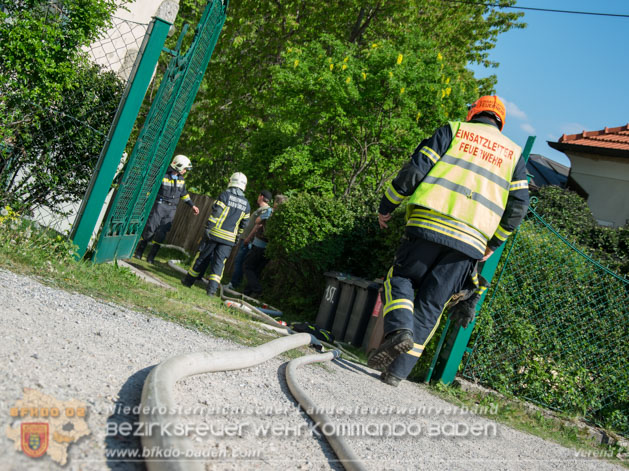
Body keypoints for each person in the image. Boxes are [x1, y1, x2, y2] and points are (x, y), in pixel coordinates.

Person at [369, 95, 529, 387]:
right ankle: (396, 373)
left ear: (474, 113)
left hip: (428, 225)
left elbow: (415, 169)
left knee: (400, 279)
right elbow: (519, 206)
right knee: (432, 305)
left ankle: (400, 328)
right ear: (501, 123)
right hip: (470, 243)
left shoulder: (454, 130)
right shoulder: (514, 156)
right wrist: (493, 244)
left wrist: (388, 204)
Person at [180, 172, 251, 296]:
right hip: (228, 239)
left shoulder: (225, 195)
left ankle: (188, 282)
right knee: (219, 264)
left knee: (202, 258)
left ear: (231, 182)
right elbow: (243, 225)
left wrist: (208, 227)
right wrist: (237, 237)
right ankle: (211, 291)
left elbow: (216, 213)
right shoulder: (246, 205)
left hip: (214, 234)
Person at [134, 154, 199, 263]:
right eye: (185, 169)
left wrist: (192, 205)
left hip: (171, 209)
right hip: (159, 205)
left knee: (162, 233)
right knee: (150, 228)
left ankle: (151, 257)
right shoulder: (163, 175)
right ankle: (139, 252)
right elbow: (152, 189)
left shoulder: (181, 179)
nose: (185, 171)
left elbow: (183, 194)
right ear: (179, 166)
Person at [224, 189, 272, 291]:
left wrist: (248, 238)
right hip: (247, 239)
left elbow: (258, 226)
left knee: (240, 261)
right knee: (240, 261)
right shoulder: (261, 209)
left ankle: (234, 284)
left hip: (249, 241)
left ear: (261, 196)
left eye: (259, 196)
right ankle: (237, 284)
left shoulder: (265, 210)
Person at [242, 194, 288, 298]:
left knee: (247, 266)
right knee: (257, 270)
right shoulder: (284, 217)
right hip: (269, 249)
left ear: (276, 203)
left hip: (259, 245)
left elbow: (257, 221)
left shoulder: (270, 212)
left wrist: (261, 218)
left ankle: (257, 289)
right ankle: (247, 293)